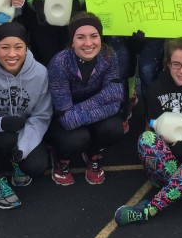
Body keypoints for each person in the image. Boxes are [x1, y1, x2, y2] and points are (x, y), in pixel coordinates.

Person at [114, 38, 182, 226]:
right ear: (167, 64)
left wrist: (179, 146)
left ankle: (148, 210)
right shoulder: (156, 90)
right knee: (145, 139)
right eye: (176, 64)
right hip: (166, 167)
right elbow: (156, 134)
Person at [0, 22, 53, 209]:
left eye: (18, 47)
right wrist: (2, 123)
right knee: (6, 140)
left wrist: (23, 146)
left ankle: (16, 159)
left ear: (26, 48)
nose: (12, 54)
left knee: (37, 168)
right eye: (4, 47)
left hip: (25, 131)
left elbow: (42, 116)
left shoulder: (40, 73)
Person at [46, 13, 125, 186]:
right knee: (78, 138)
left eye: (94, 36)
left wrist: (82, 111)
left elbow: (117, 100)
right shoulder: (59, 63)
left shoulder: (109, 55)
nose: (88, 43)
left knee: (115, 128)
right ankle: (61, 158)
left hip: (80, 113)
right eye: (80, 37)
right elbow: (66, 119)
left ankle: (92, 152)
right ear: (72, 40)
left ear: (100, 37)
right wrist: (106, 100)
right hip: (63, 119)